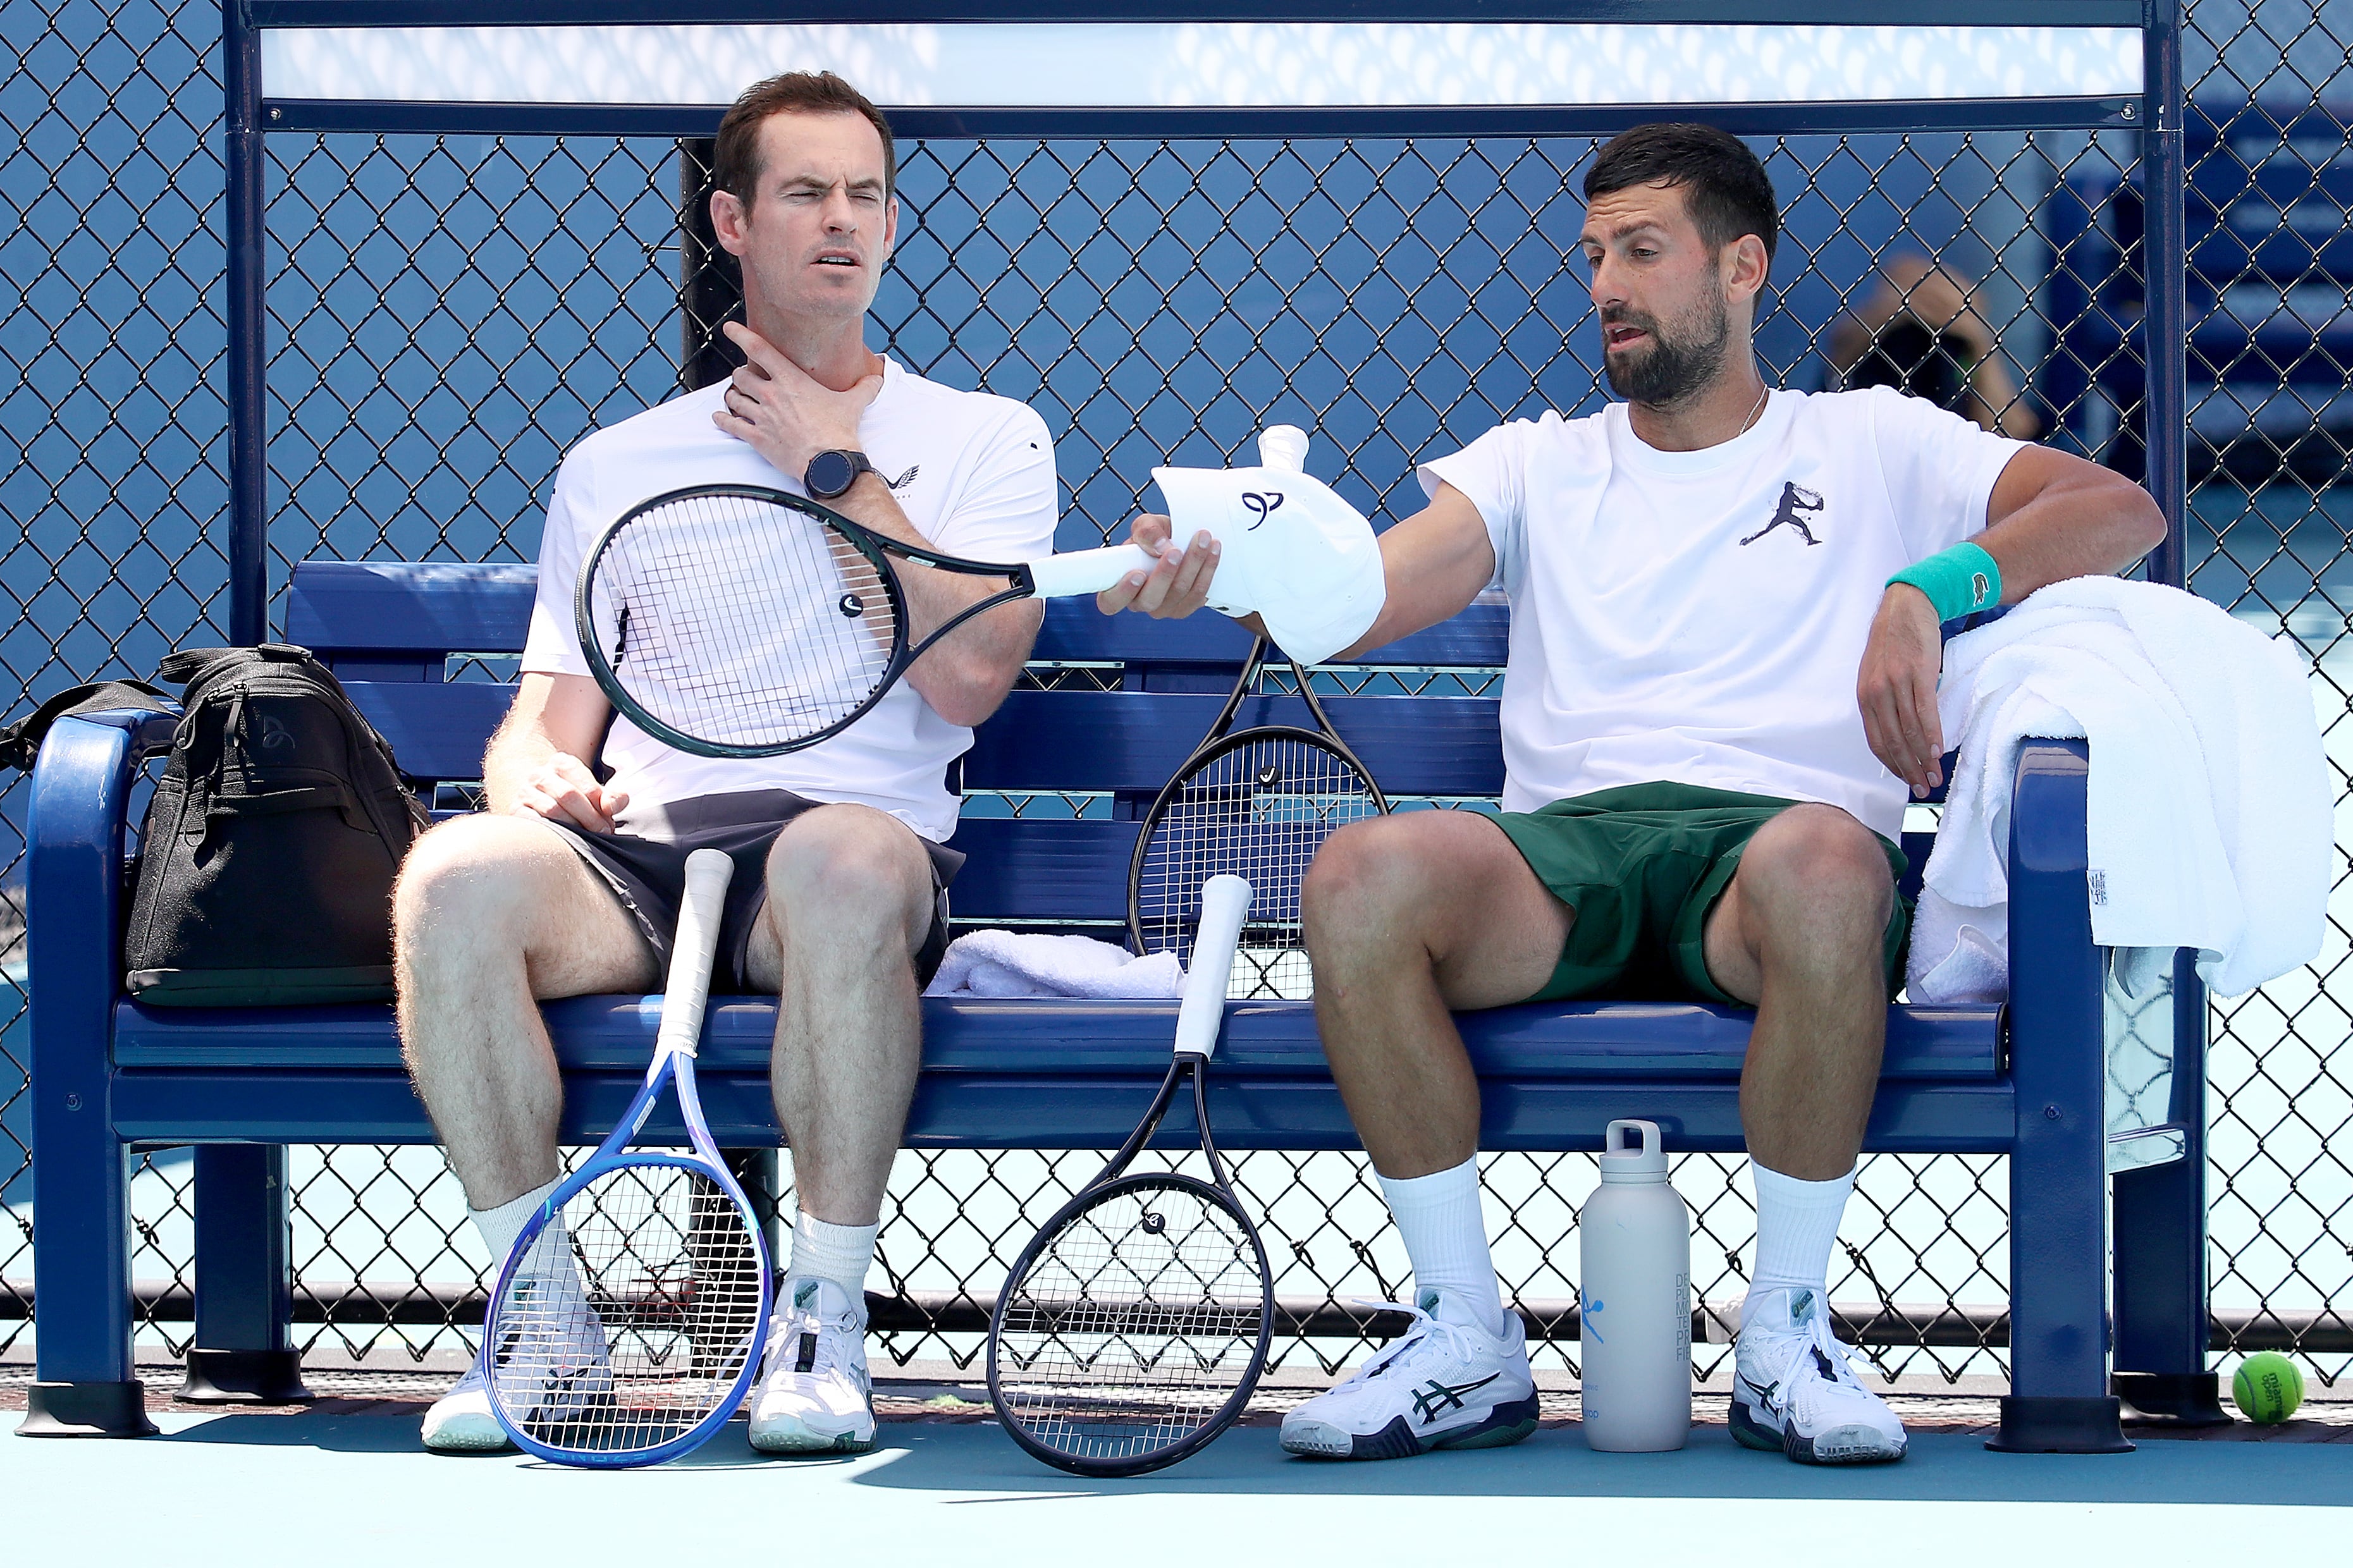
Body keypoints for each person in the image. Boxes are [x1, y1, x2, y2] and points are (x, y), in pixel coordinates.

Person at [1102, 123, 2163, 1466]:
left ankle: (1784, 1338)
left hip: (1773, 858)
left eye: (1643, 251)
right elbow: (1359, 598)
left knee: (1836, 866)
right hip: (1565, 859)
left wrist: (1926, 587)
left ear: (1742, 267)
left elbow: (2117, 508)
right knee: (1357, 875)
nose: (1607, 282)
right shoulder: (1536, 461)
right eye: (1595, 254)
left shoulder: (1874, 439)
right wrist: (1232, 563)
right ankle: (1462, 1339)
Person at [395, 70, 1059, 1455]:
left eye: (866, 194)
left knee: (834, 850)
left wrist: (836, 473)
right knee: (451, 875)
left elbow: (969, 679)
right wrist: (532, 783)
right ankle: (540, 1322)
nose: (843, 223)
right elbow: (545, 720)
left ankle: (818, 1320)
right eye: (806, 193)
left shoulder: (987, 437)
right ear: (732, 221)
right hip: (642, 857)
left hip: (854, 849)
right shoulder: (616, 465)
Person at [1828, 256, 2043, 439]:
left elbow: (2017, 433)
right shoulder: (1866, 344)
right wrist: (1893, 312)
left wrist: (1972, 334)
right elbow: (1834, 380)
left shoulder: (1963, 347)